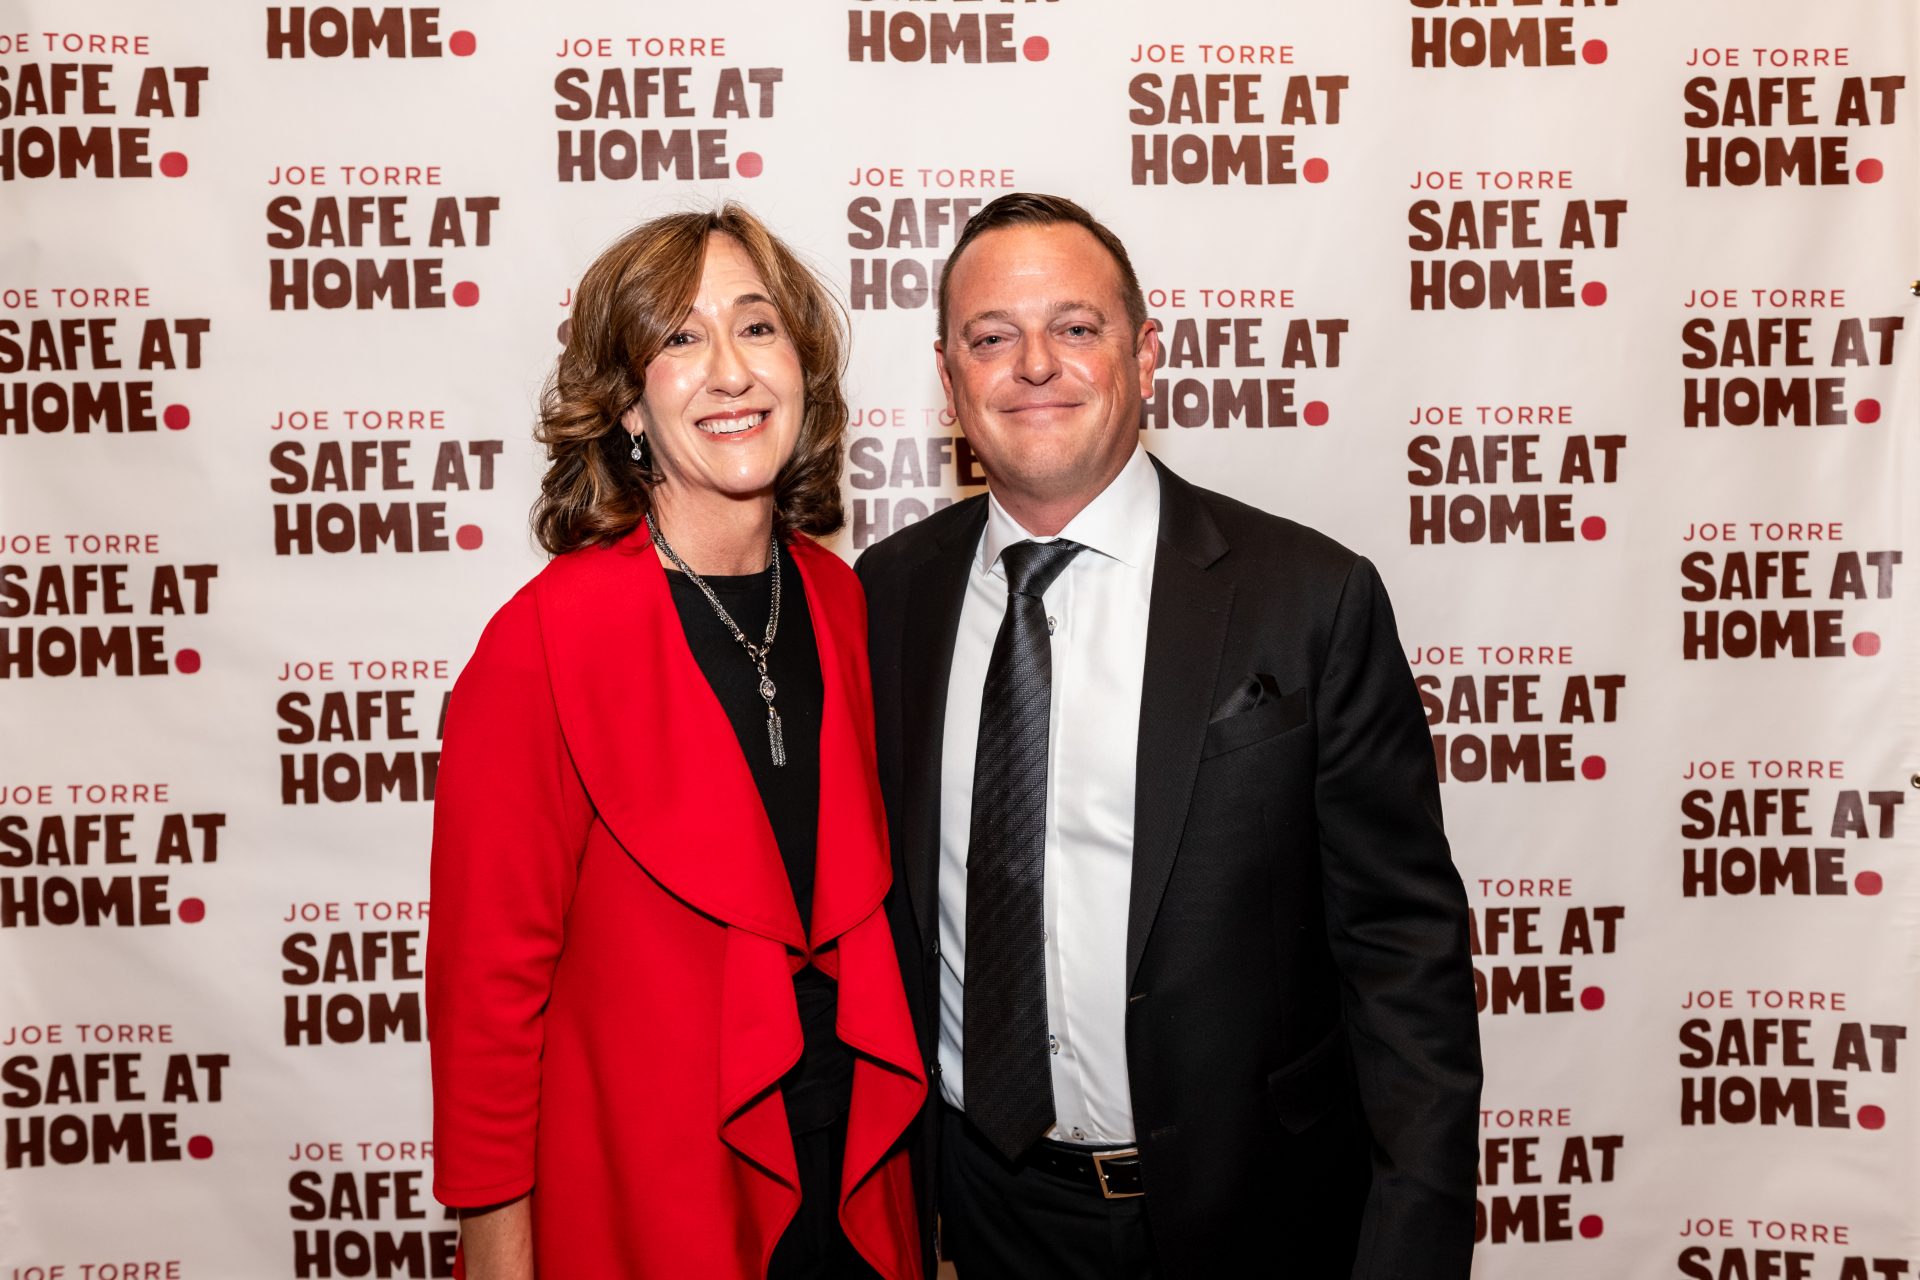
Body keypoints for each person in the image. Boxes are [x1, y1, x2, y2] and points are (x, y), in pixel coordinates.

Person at [855, 193, 1481, 1278]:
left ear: (1146, 356)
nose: (1034, 364)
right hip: (986, 1215)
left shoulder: (1308, 597)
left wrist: (1413, 1247)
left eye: (1076, 327)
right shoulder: (887, 596)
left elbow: (1402, 953)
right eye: (991, 338)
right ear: (949, 381)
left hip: (1259, 1217)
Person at [426, 205, 924, 1279]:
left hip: (853, 1189)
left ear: (803, 368)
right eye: (683, 338)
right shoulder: (543, 644)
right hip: (654, 1204)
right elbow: (487, 1002)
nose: (731, 371)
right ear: (628, 404)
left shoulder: (844, 602)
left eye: (758, 326)